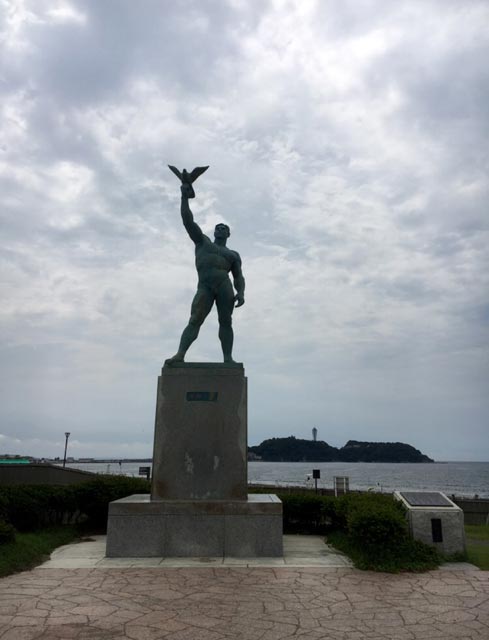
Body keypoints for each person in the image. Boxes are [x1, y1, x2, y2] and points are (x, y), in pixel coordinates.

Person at [166, 183, 245, 363]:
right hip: (205, 286)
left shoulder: (233, 255)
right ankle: (180, 354)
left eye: (224, 228)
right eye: (218, 227)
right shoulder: (203, 242)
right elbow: (188, 221)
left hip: (224, 286)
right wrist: (184, 197)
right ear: (214, 231)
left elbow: (238, 276)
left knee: (226, 322)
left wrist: (241, 292)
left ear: (228, 234)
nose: (220, 229)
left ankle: (228, 358)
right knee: (195, 319)